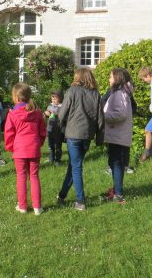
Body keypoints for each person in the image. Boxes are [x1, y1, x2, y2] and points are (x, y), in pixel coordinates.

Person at [56, 68, 104, 212]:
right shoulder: (95, 94)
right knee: (74, 165)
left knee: (76, 167)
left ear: (77, 77)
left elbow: (62, 114)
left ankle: (80, 201)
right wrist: (100, 138)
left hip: (73, 134)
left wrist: (61, 126)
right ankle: (62, 196)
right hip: (87, 135)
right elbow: (101, 119)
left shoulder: (72, 91)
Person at [4, 83, 47, 215]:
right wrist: (38, 144)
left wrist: (11, 148)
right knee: (34, 176)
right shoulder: (38, 113)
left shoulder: (12, 114)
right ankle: (37, 207)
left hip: (20, 150)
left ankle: (22, 206)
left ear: (16, 97)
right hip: (33, 148)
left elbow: (8, 133)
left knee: (21, 177)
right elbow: (42, 132)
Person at [101, 68, 134, 204]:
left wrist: (103, 116)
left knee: (116, 163)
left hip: (118, 135)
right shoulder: (121, 93)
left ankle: (118, 193)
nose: (109, 80)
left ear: (117, 79)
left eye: (111, 77)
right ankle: (116, 190)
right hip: (117, 134)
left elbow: (121, 114)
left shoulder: (120, 93)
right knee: (115, 163)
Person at [44, 90, 64, 166]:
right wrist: (45, 113)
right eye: (52, 98)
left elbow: (61, 115)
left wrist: (53, 114)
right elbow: (47, 113)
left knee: (58, 146)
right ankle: (51, 158)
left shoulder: (62, 106)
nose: (53, 100)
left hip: (58, 129)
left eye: (55, 98)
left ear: (60, 98)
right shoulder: (50, 106)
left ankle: (58, 160)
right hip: (50, 128)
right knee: (50, 145)